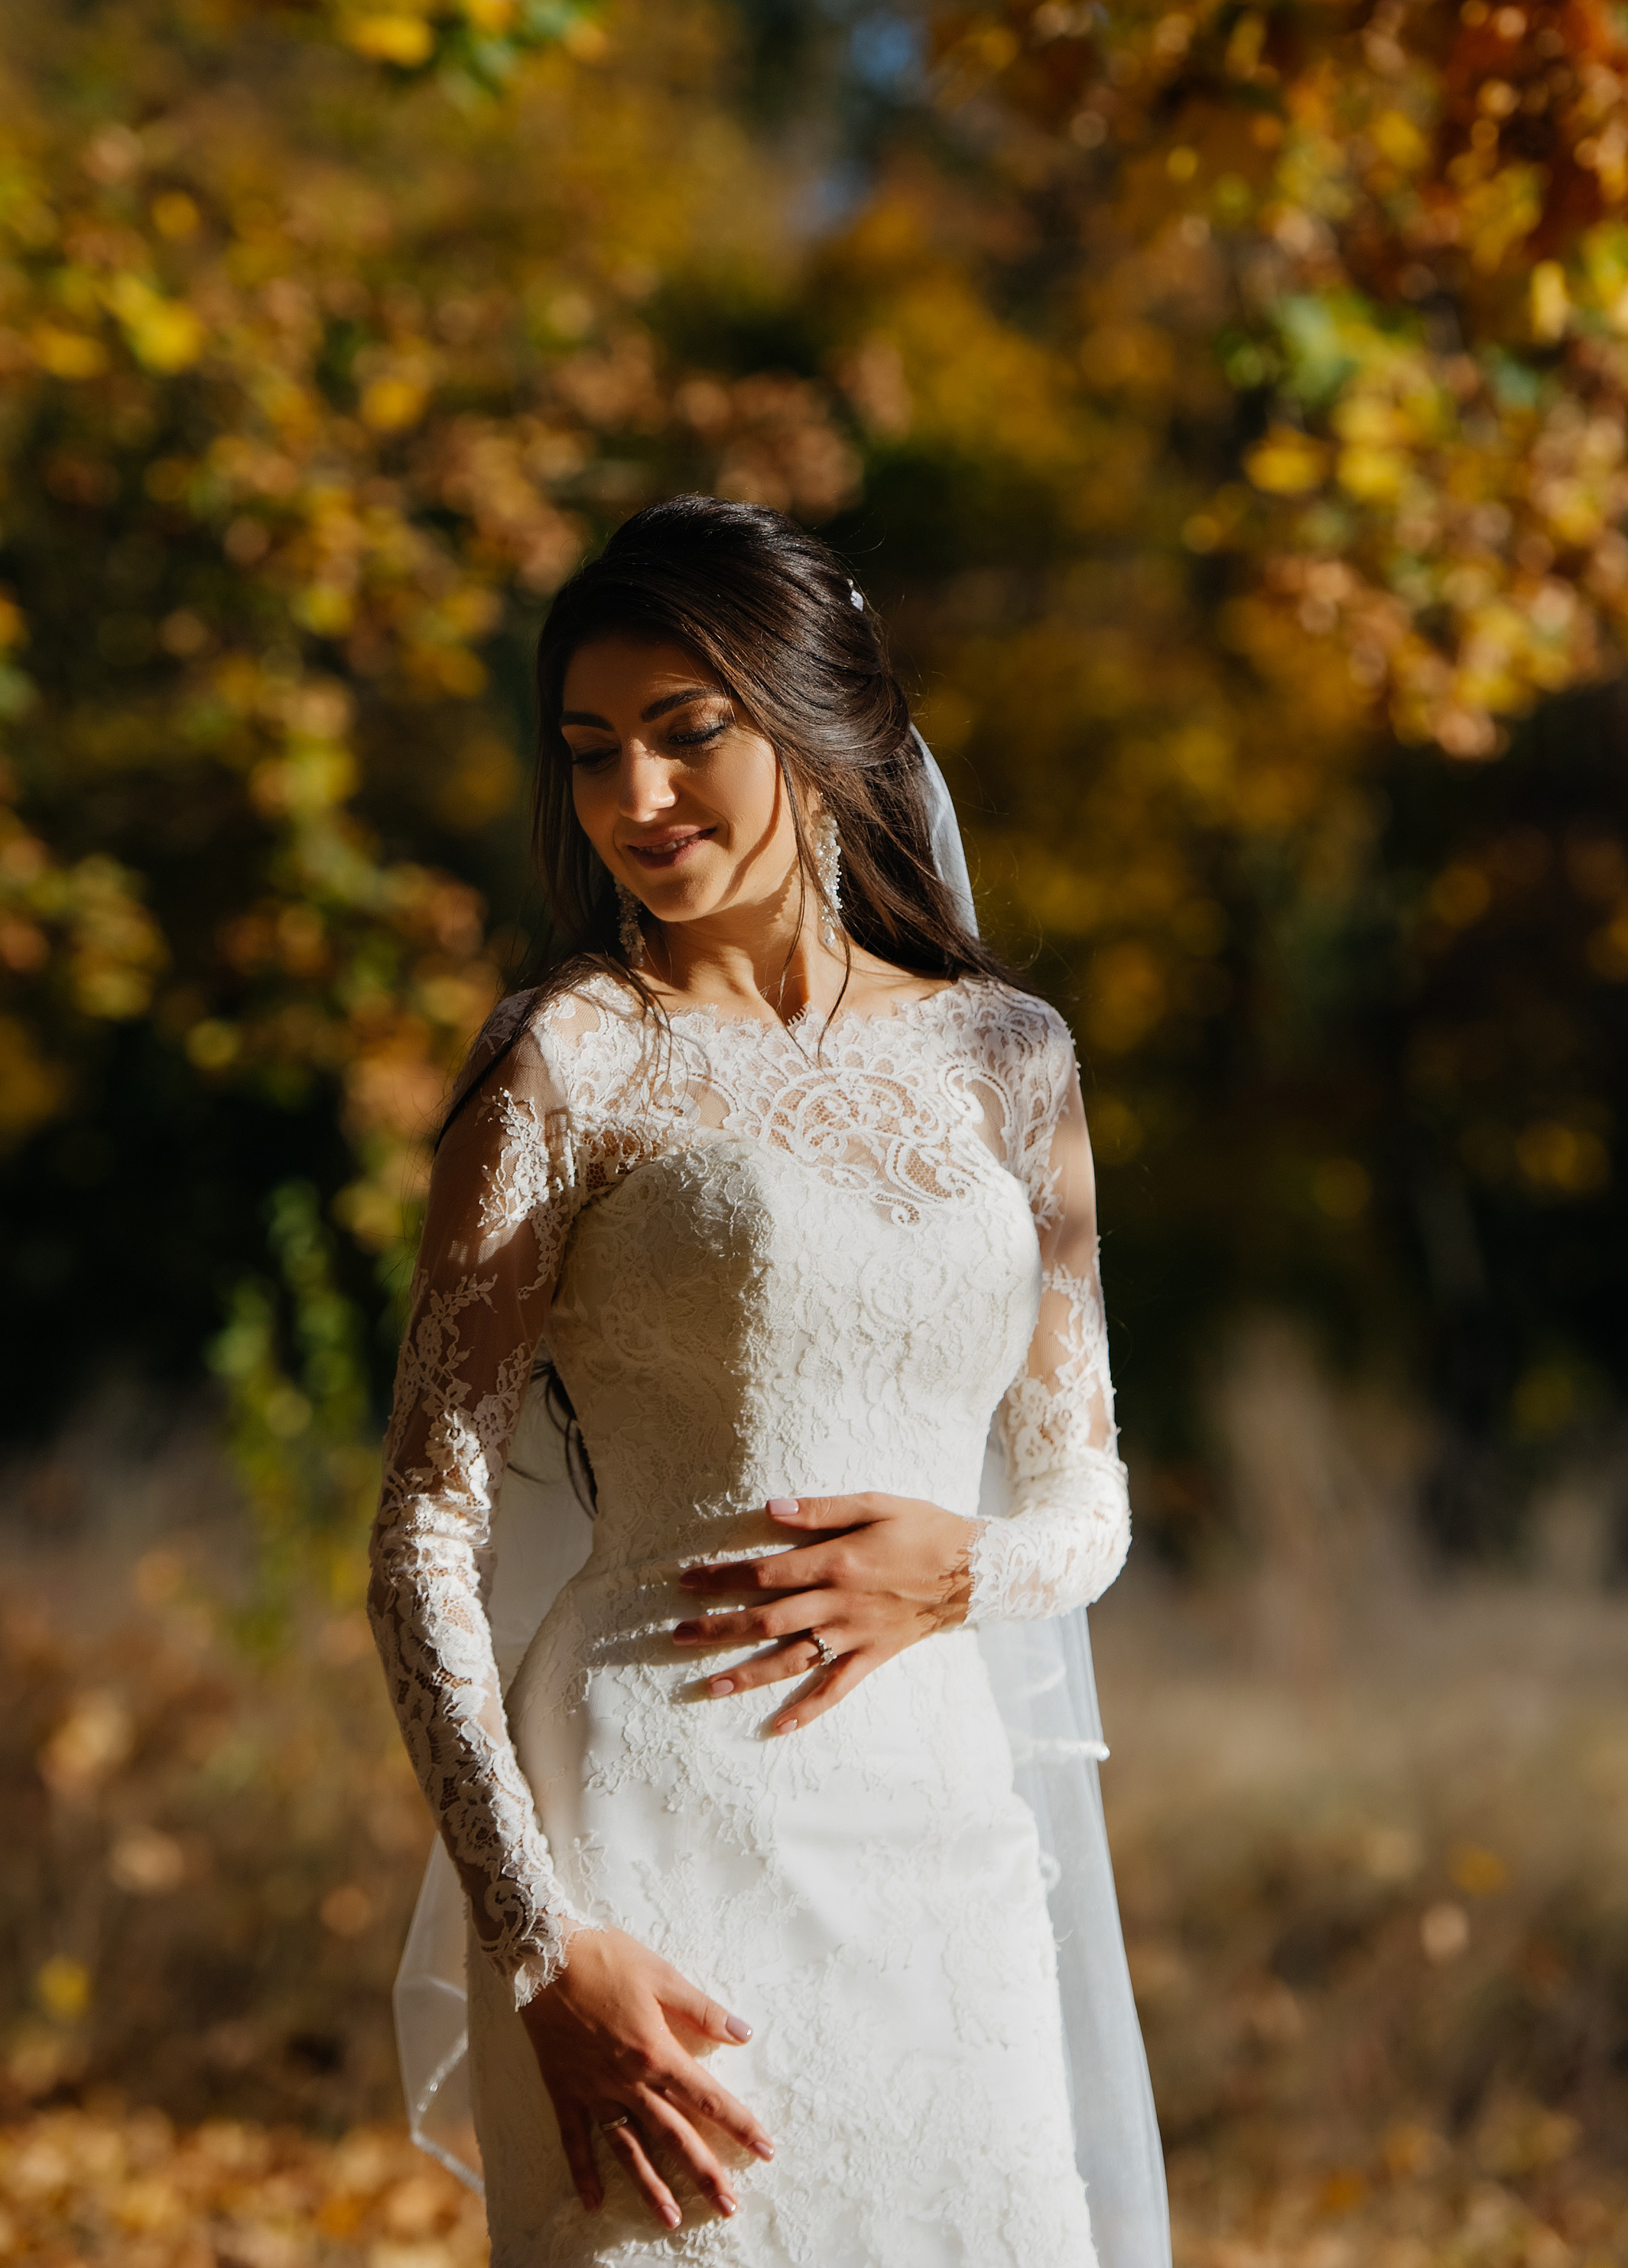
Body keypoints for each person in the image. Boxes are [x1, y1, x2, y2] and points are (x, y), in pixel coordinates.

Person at [367, 497, 1166, 2266]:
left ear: (818, 722)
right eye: (589, 755)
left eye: (683, 736)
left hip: (945, 1837)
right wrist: (543, 1946)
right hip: (647, 1831)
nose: (634, 801)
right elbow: (422, 1539)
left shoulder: (1008, 1062)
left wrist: (966, 1569)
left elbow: (1087, 1497)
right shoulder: (570, 1062)